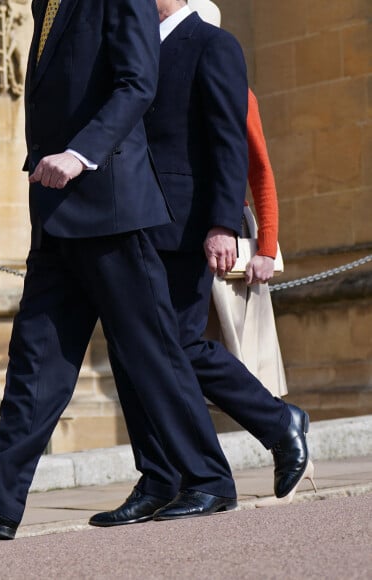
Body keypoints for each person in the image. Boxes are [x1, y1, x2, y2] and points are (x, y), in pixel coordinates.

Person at [0, 0, 240, 541]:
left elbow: (137, 82)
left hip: (110, 204)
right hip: (57, 210)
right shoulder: (47, 3)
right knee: (35, 360)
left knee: (151, 349)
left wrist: (80, 154)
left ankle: (207, 478)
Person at [89, 0, 315, 528]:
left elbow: (232, 145)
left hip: (187, 225)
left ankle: (278, 421)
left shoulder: (215, 45)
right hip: (134, 222)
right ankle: (160, 478)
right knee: (131, 350)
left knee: (178, 343)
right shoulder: (133, 46)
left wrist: (223, 225)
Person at [206, 88, 288, 398]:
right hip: (172, 234)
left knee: (248, 361)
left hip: (231, 233)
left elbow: (260, 170)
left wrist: (266, 249)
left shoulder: (237, 90)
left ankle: (279, 422)